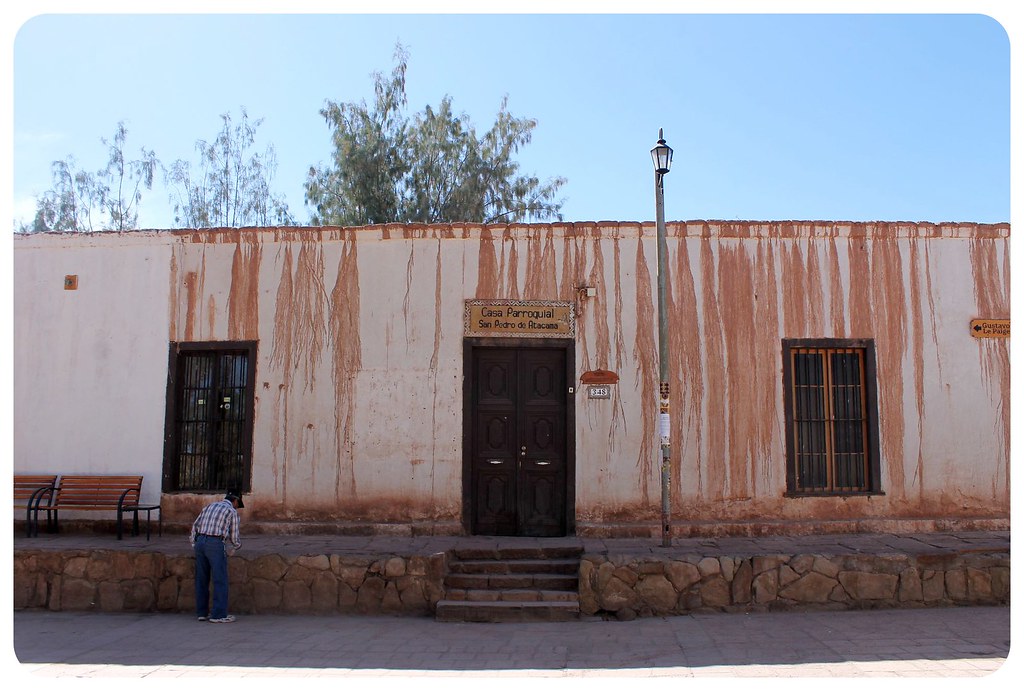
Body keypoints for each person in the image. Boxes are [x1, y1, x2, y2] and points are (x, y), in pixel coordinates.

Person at [190, 489, 244, 623]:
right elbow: (234, 537)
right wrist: (236, 547)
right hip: (215, 543)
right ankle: (218, 614)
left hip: (200, 541)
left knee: (201, 578)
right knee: (220, 579)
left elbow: (195, 526)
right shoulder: (232, 511)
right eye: (238, 504)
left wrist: (194, 543)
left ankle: (202, 613)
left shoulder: (209, 506)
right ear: (235, 501)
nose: (237, 507)